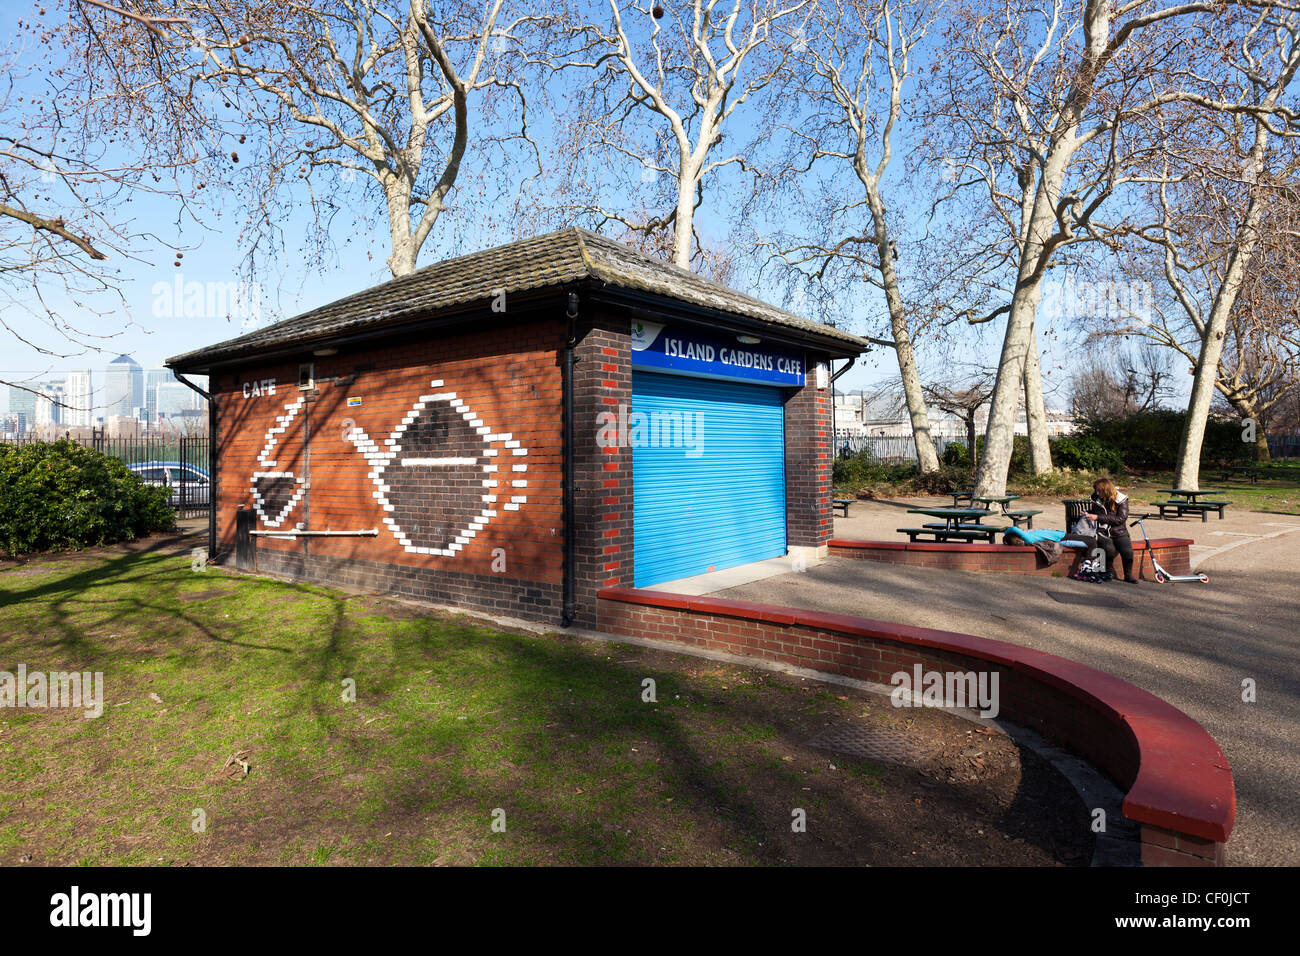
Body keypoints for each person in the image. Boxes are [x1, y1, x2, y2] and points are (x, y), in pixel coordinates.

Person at [1089, 477, 1139, 583]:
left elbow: (1120, 519)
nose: (1097, 493)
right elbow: (1094, 512)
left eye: (1099, 490)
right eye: (1096, 490)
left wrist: (1098, 517)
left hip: (1119, 531)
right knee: (1108, 548)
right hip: (1102, 532)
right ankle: (1109, 572)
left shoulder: (1121, 499)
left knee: (1127, 552)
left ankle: (1128, 575)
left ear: (1106, 490)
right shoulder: (1096, 499)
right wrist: (1087, 514)